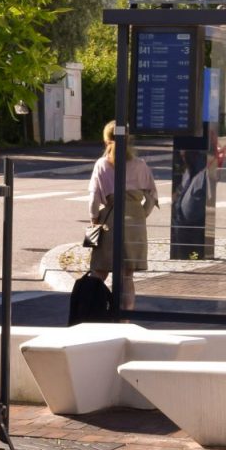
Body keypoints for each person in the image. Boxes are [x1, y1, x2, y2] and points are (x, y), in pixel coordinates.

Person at [88, 122, 159, 310]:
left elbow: (94, 199)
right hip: (135, 222)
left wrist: (94, 219)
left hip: (110, 220)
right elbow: (151, 196)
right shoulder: (140, 164)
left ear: (106, 140)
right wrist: (141, 213)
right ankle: (126, 317)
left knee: (99, 269)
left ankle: (92, 309)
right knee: (127, 275)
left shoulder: (102, 164)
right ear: (129, 140)